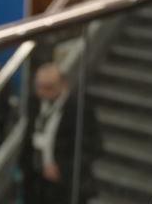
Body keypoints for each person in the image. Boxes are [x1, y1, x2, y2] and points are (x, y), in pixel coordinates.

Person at [22, 63, 100, 203]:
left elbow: (94, 146)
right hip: (35, 179)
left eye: (48, 87)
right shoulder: (35, 101)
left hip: (64, 184)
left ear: (63, 84)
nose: (42, 92)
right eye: (39, 86)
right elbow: (28, 136)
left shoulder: (79, 109)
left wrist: (62, 169)